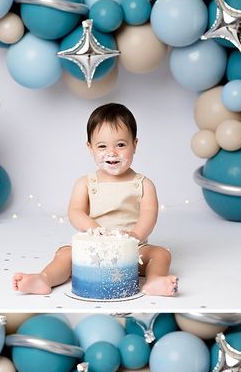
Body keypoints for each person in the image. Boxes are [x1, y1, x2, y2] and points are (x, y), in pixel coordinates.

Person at [13, 103, 178, 296]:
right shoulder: (86, 183)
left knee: (161, 254)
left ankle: (155, 281)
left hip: (132, 249)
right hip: (94, 247)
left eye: (121, 145)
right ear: (90, 148)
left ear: (135, 144)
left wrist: (135, 236)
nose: (112, 152)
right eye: (102, 146)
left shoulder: (143, 184)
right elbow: (75, 212)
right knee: (65, 254)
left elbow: (149, 214)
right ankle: (44, 279)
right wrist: (94, 229)